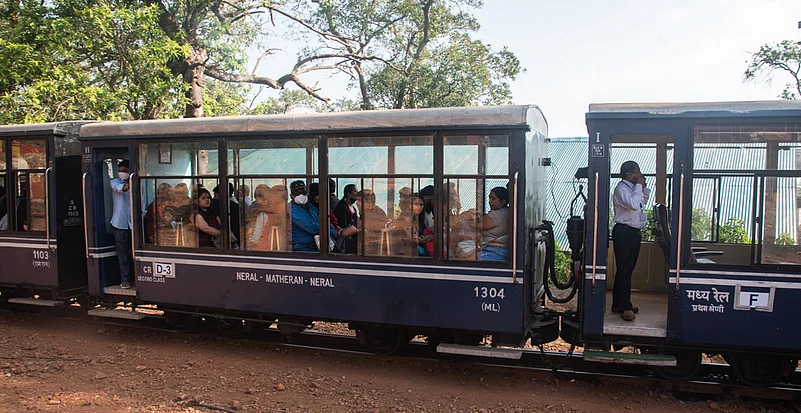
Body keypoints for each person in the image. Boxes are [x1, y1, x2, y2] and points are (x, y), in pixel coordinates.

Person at [612, 161, 651, 322]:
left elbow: (642, 202)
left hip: (633, 233)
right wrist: (638, 187)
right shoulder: (621, 189)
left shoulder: (632, 189)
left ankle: (620, 303)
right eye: (638, 172)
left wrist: (643, 187)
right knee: (624, 270)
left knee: (628, 269)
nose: (640, 175)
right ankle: (624, 306)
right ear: (630, 174)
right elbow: (634, 204)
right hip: (624, 233)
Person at [289, 180, 354, 252]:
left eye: (303, 192)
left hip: (318, 245)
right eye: (297, 193)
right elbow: (310, 226)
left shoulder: (310, 207)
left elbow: (323, 220)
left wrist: (334, 231)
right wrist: (333, 233)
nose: (301, 195)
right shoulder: (291, 209)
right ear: (291, 196)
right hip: (302, 247)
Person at [110, 160, 133, 289]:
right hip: (119, 223)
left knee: (134, 252)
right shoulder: (114, 182)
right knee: (123, 253)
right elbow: (123, 189)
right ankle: (125, 279)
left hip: (133, 223)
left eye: (124, 171)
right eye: (120, 171)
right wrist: (131, 180)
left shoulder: (138, 183)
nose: (121, 173)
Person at [479, 187, 510, 261]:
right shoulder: (507, 212)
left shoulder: (499, 214)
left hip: (494, 251)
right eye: (489, 198)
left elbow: (477, 224)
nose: (490, 201)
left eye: (493, 199)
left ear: (503, 201)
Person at [334, 184, 360, 254]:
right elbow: (343, 225)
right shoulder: (342, 207)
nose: (357, 194)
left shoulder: (352, 207)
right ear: (348, 194)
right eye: (355, 191)